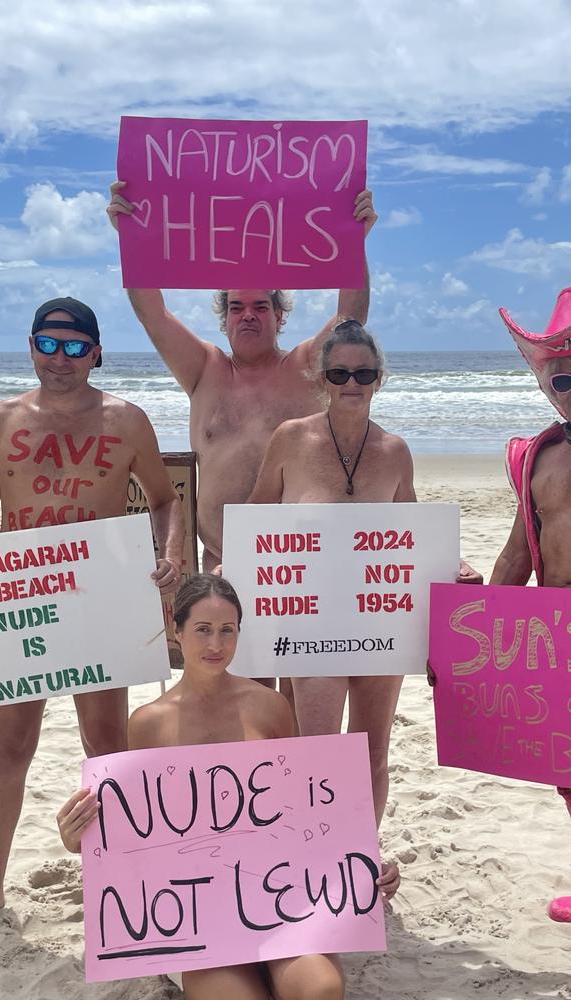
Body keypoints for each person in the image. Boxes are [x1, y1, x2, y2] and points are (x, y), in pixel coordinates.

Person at [0, 297, 184, 938]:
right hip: (24, 602)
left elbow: (164, 499)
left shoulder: (126, 420)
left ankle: (122, 873)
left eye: (74, 347)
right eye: (48, 344)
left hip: (98, 601)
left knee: (107, 744)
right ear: (31, 346)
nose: (59, 359)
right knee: (10, 745)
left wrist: (172, 550)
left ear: (96, 353)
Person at [58, 573, 400, 1000]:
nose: (215, 645)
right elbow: (137, 831)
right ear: (176, 630)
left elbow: (303, 813)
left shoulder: (269, 707)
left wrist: (366, 865)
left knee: (320, 990)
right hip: (199, 913)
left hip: (280, 897)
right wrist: (81, 838)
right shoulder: (148, 723)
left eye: (227, 631)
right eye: (202, 630)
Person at [247, 319, 481, 827]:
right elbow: (256, 519)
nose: (351, 383)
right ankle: (313, 862)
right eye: (339, 373)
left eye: (363, 373)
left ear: (379, 378)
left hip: (381, 625)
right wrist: (232, 564)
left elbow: (413, 532)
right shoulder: (290, 440)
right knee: (317, 755)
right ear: (321, 379)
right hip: (310, 625)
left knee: (372, 753)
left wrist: (451, 563)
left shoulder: (394, 451)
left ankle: (359, 861)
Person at [107, 181, 377, 573]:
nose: (247, 314)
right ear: (224, 318)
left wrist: (354, 241)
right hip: (219, 563)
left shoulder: (305, 367)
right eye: (236, 307)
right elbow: (153, 314)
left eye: (259, 306)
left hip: (300, 564)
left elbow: (351, 319)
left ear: (279, 316)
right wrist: (129, 236)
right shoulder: (204, 368)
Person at [489, 287, 571, 922]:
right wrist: (476, 633)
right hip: (557, 635)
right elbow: (519, 553)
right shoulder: (539, 455)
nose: (567, 381)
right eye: (558, 371)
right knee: (566, 768)